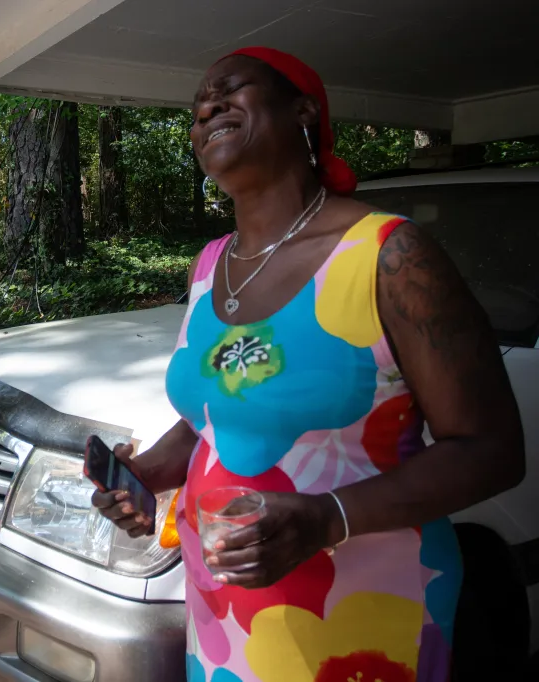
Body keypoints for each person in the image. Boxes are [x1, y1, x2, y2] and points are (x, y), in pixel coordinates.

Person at [93, 47, 525, 681]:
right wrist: (150, 472)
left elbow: (491, 449)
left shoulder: (391, 255)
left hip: (362, 614)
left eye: (229, 89)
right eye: (197, 106)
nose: (207, 106)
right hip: (225, 614)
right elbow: (219, 409)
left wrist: (328, 517)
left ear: (304, 111)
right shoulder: (211, 264)